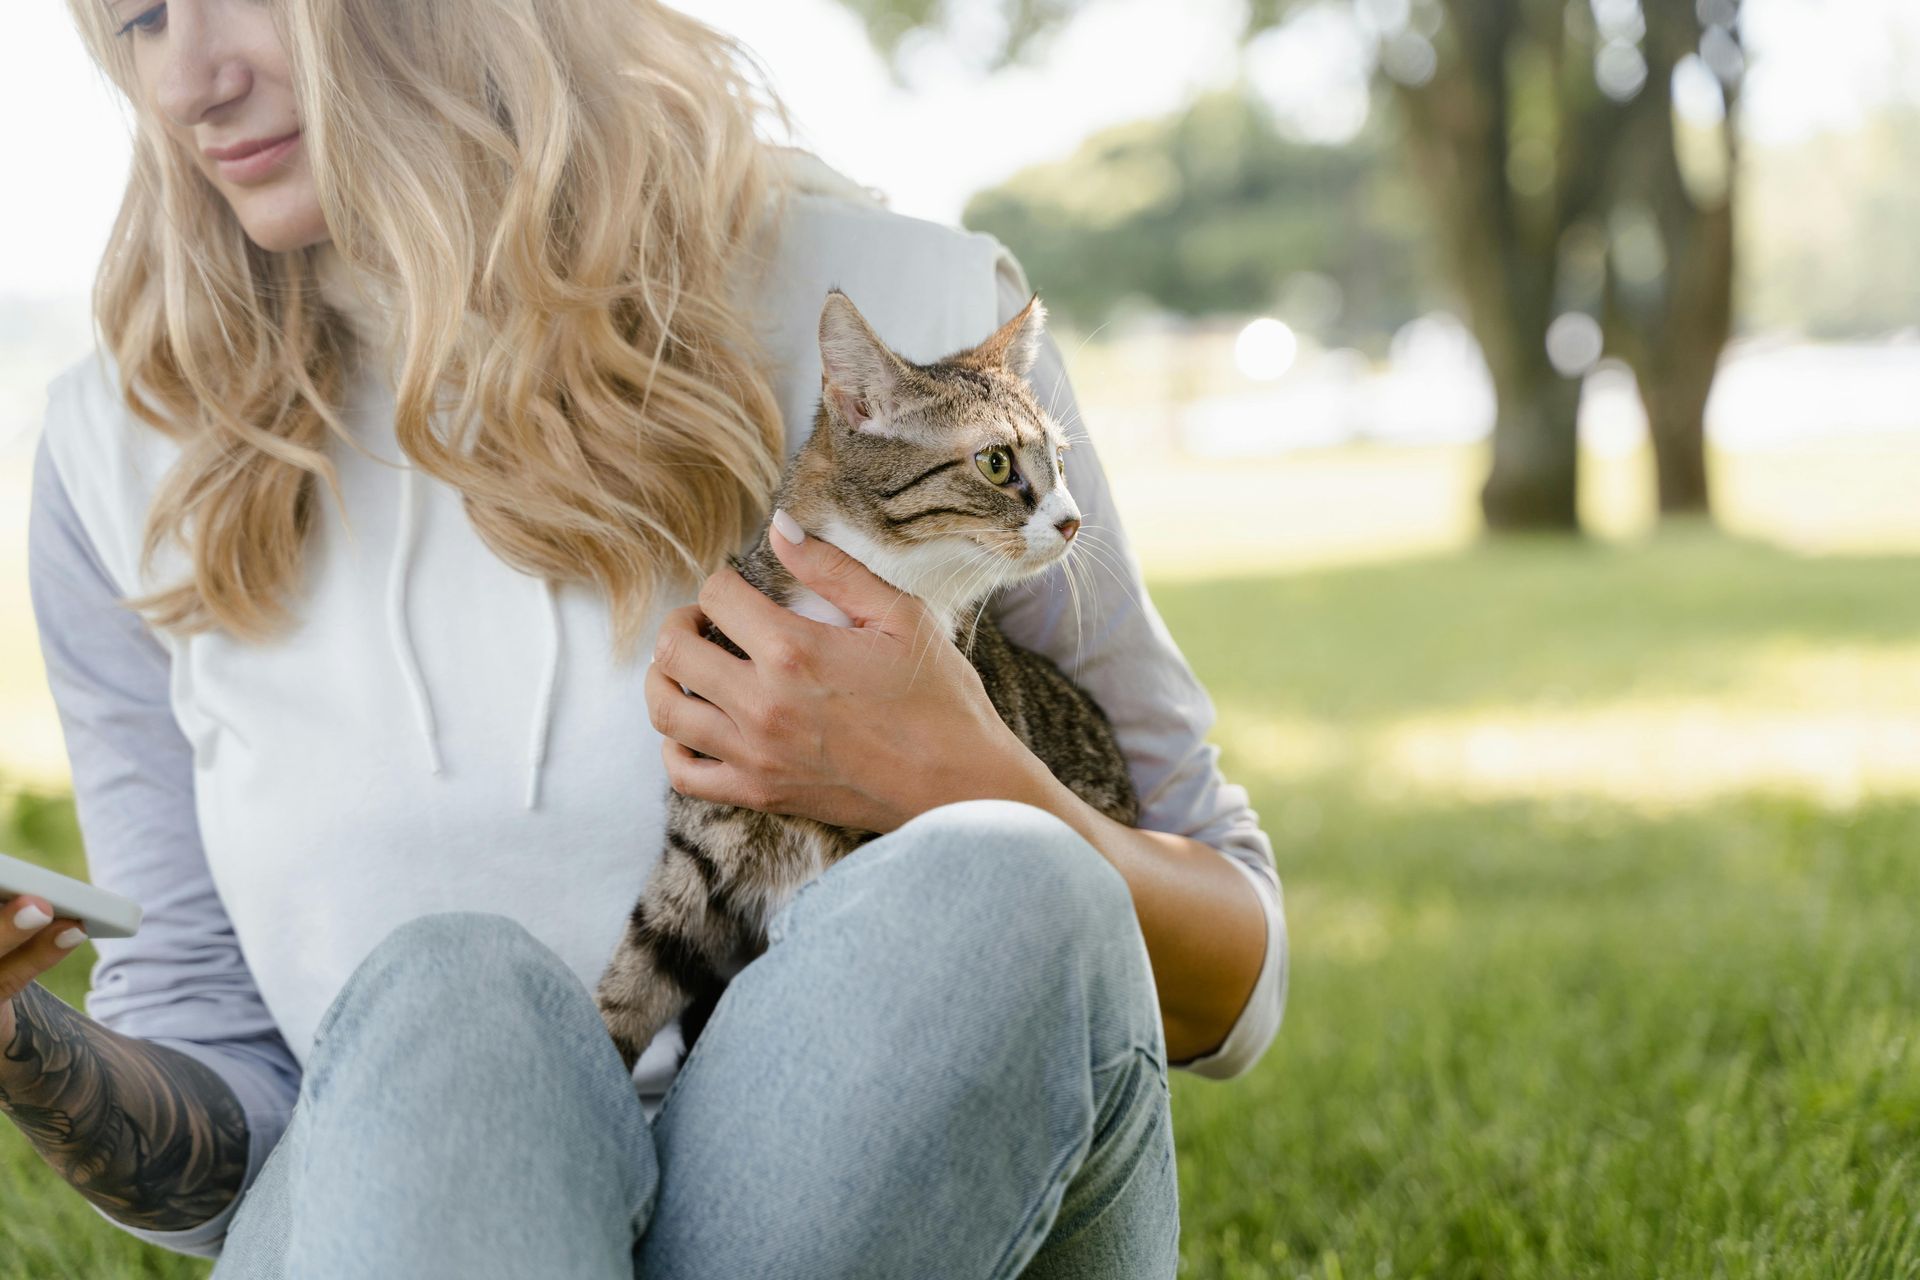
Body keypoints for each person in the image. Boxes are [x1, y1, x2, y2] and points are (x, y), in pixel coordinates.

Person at [3, 0, 1289, 1275]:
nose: (186, 82)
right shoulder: (122, 445)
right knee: (455, 1004)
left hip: (888, 1190)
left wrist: (969, 777)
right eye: (139, 20)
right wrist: (18, 1039)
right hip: (427, 1204)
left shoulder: (918, 340)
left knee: (1006, 881)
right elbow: (232, 1139)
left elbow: (1230, 980)